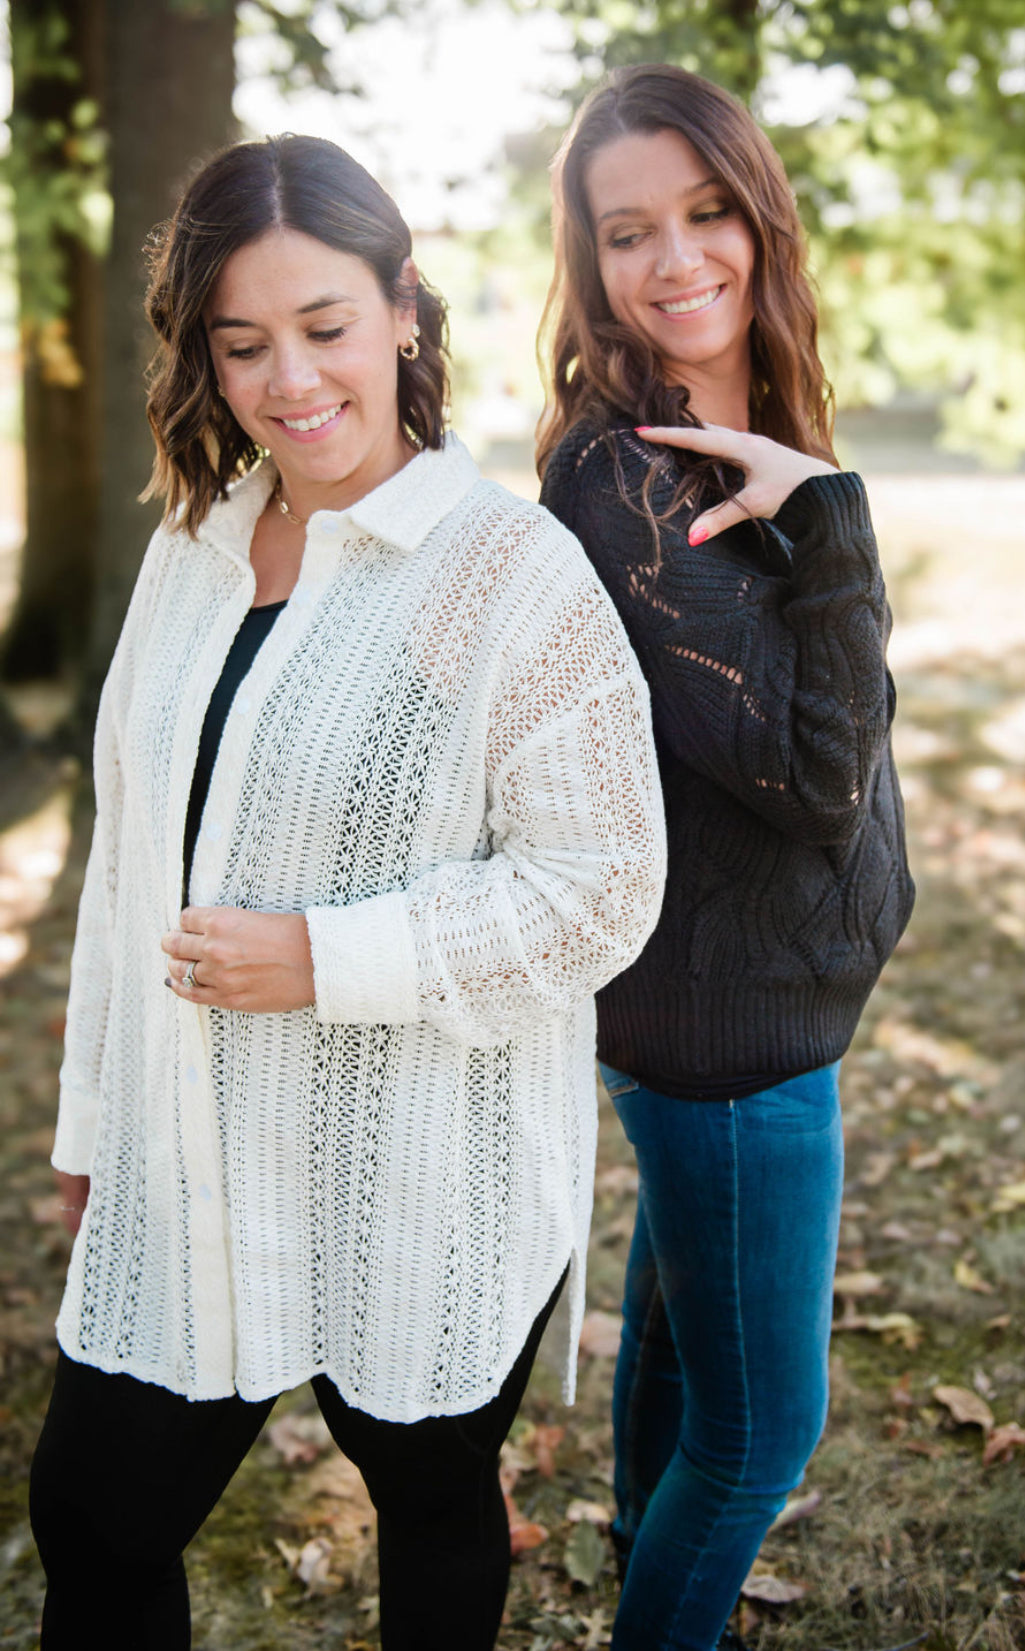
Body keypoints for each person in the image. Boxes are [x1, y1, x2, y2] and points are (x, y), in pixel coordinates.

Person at [30, 132, 666, 1651]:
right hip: (196, 1143)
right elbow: (129, 864)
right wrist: (91, 1122)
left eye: (324, 328)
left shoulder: (504, 571)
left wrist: (328, 956)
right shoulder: (192, 547)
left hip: (421, 1164)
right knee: (94, 1510)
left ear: (403, 313)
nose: (289, 380)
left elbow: (604, 885)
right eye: (242, 344)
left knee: (432, 1515)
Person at [536, 65, 915, 1651]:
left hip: (749, 996)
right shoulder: (625, 477)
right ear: (588, 259)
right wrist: (832, 514)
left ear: (758, 217)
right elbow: (818, 770)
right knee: (762, 1439)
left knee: (692, 1335)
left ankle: (639, 1544)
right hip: (728, 1032)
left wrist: (808, 483)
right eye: (630, 233)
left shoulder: (741, 418)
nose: (676, 258)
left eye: (704, 213)